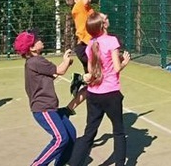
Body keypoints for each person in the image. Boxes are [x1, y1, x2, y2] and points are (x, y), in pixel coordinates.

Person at [70, 13, 131, 166]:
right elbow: (116, 68)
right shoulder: (111, 41)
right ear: (103, 25)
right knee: (118, 131)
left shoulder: (91, 44)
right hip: (111, 94)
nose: (108, 19)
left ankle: (75, 162)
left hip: (93, 94)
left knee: (89, 132)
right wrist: (125, 62)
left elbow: (91, 72)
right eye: (106, 19)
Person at [14, 30, 77, 166]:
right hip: (44, 109)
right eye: (37, 39)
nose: (40, 40)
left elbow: (52, 75)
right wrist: (66, 60)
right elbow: (60, 70)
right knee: (61, 138)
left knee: (71, 134)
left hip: (51, 108)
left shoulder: (34, 62)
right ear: (31, 48)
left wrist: (66, 63)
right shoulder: (37, 61)